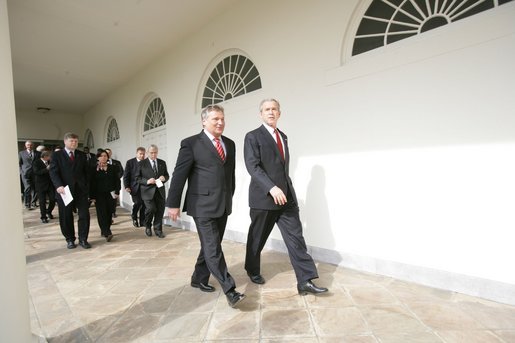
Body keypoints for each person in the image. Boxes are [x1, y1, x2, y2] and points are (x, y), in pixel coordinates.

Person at [243, 99, 328, 295]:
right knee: (257, 238)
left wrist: (284, 188)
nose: (271, 112)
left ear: (279, 113)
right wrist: (271, 188)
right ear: (261, 114)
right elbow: (252, 166)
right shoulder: (253, 136)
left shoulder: (284, 137)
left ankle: (305, 280)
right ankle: (252, 269)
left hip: (286, 198)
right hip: (264, 198)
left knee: (296, 238)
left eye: (274, 109)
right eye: (266, 109)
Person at [166, 104, 245, 308]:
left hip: (222, 204)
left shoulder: (230, 143)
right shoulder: (191, 143)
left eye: (222, 119)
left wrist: (230, 196)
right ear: (204, 121)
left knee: (210, 245)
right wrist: (172, 203)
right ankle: (230, 289)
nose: (220, 122)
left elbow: (230, 174)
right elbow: (179, 174)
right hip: (201, 204)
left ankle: (198, 278)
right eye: (215, 119)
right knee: (213, 247)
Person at [49, 132, 91, 249]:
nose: (74, 143)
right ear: (65, 142)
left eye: (76, 141)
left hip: (80, 190)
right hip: (64, 191)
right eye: (71, 141)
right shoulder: (57, 155)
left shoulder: (81, 155)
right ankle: (70, 239)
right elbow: (53, 172)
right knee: (66, 216)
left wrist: (86, 186)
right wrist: (58, 185)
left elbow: (86, 172)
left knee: (84, 215)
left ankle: (83, 239)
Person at [136, 144, 169, 238]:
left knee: (160, 211)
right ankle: (147, 225)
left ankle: (158, 230)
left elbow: (166, 175)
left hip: (160, 191)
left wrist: (164, 178)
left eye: (155, 152)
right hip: (147, 192)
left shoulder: (162, 162)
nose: (153, 154)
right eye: (151, 153)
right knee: (151, 209)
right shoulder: (141, 164)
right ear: (147, 153)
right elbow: (137, 178)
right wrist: (147, 181)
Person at [90, 149, 120, 242]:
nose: (104, 157)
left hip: (111, 194)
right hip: (99, 195)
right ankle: (107, 232)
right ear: (98, 157)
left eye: (105, 156)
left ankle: (105, 229)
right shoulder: (94, 168)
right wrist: (92, 196)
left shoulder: (113, 167)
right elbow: (91, 183)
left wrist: (117, 192)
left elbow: (117, 180)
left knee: (109, 212)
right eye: (101, 156)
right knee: (102, 213)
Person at [123, 147, 146, 227]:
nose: (142, 155)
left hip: (145, 187)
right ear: (137, 153)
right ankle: (134, 217)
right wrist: (127, 186)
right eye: (140, 154)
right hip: (134, 187)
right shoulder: (130, 162)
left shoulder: (146, 162)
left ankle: (143, 221)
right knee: (137, 203)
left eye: (143, 154)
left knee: (144, 204)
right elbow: (126, 175)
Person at [32, 151, 55, 223]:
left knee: (53, 199)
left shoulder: (50, 162)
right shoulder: (36, 162)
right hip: (40, 185)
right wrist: (46, 169)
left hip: (50, 184)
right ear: (45, 156)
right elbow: (36, 172)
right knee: (42, 202)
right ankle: (43, 217)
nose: (50, 158)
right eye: (49, 156)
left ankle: (49, 211)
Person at [19, 140, 40, 209]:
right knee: (27, 188)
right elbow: (19, 163)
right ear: (25, 146)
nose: (29, 146)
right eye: (28, 145)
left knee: (35, 189)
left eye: (31, 145)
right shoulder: (21, 153)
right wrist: (21, 172)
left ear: (33, 145)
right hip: (25, 174)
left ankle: (33, 203)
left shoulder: (38, 153)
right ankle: (27, 204)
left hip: (35, 173)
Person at [105, 148, 124, 219]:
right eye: (106, 153)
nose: (108, 154)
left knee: (113, 200)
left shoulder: (117, 162)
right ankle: (108, 214)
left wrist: (116, 177)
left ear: (111, 153)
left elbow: (121, 171)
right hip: (105, 185)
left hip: (114, 185)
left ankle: (113, 212)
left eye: (109, 153)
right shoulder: (101, 162)